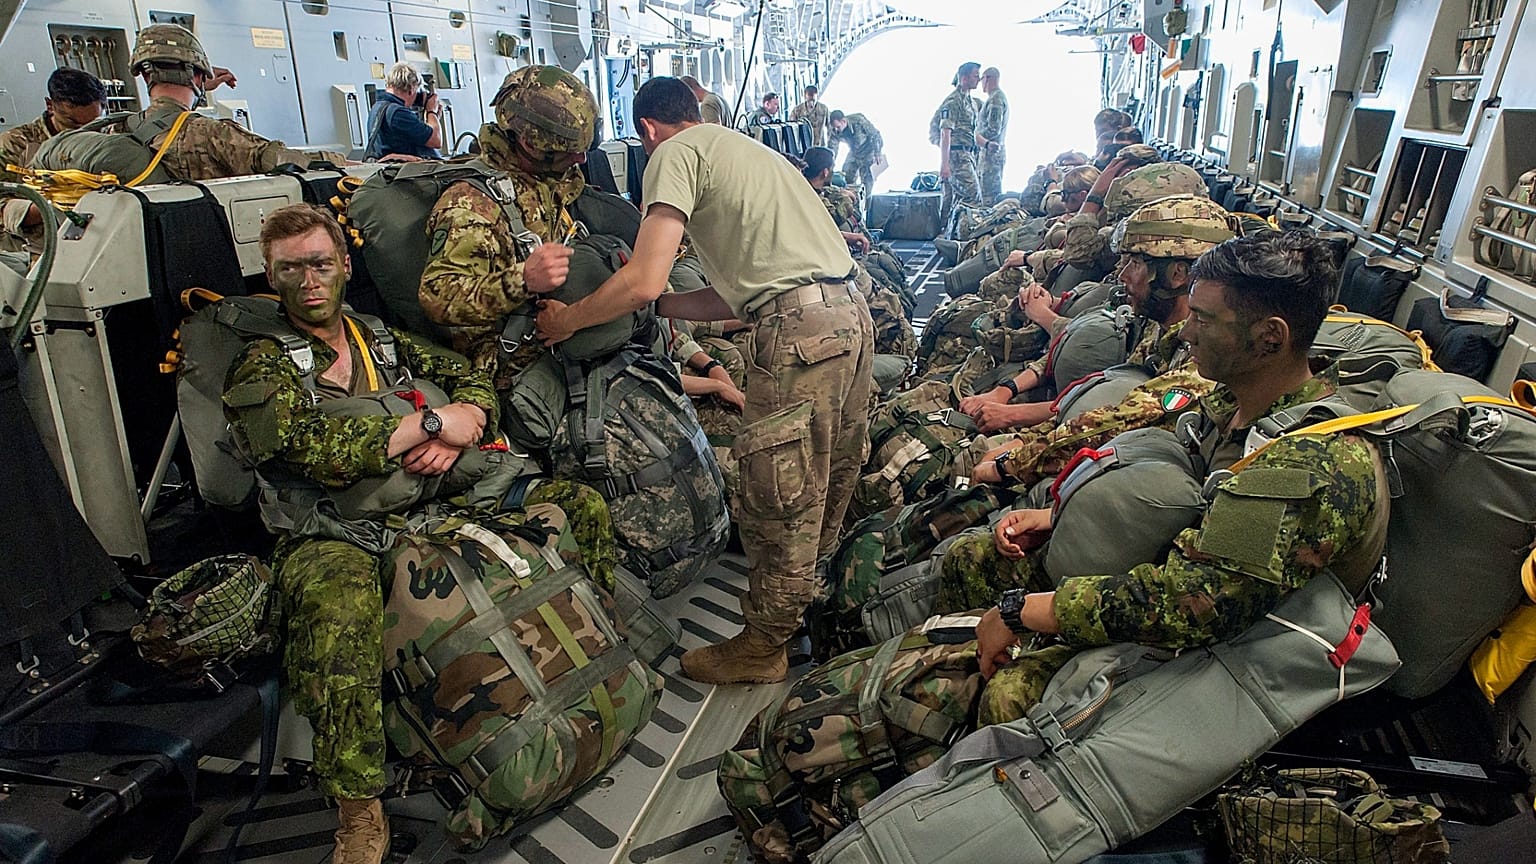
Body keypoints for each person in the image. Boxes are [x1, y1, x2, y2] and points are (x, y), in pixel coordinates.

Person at [950, 231, 1388, 727]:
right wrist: (1059, 515)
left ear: (1271, 337)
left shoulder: (1309, 466)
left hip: (1237, 652)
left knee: (1010, 696)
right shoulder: (1233, 404)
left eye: (1204, 319)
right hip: (1172, 573)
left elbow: (1195, 601)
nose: (1186, 333)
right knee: (974, 558)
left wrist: (1023, 612)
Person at [532, 77, 875, 685]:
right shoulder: (750, 153)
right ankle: (806, 610)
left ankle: (763, 646)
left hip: (799, 331)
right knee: (827, 481)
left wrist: (568, 319)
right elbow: (738, 297)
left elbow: (640, 276)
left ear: (646, 130)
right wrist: (663, 308)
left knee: (781, 495)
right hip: (848, 314)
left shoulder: (672, 153)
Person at [224, 204, 501, 864]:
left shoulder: (378, 338)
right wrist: (428, 428)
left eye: (320, 263)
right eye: (290, 269)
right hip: (327, 532)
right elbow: (302, 443)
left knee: (562, 508)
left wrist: (467, 414)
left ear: (345, 266)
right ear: (271, 277)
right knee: (339, 606)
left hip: (417, 502)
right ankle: (358, 807)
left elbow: (469, 378)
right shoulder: (262, 365)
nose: (308, 280)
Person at [965, 195, 1237, 472]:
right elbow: (1097, 391)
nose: (1123, 276)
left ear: (1177, 275)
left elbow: (1121, 417)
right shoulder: (1157, 325)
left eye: (1136, 264)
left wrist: (1011, 462)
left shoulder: (1207, 357)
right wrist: (1024, 438)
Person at [417, 65, 599, 390]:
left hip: (549, 338)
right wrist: (522, 280)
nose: (581, 160)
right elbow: (437, 294)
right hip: (506, 368)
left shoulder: (544, 184)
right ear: (531, 145)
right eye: (569, 151)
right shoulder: (470, 205)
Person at [113, 24, 345, 179]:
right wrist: (344, 162)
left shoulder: (119, 130)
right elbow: (280, 161)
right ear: (197, 74)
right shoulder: (212, 134)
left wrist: (199, 82)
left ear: (144, 75)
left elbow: (173, 122)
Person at [0, 67, 105, 252]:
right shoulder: (16, 144)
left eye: (93, 125)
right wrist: (56, 203)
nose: (83, 133)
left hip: (97, 242)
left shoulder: (109, 140)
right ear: (50, 106)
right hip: (35, 252)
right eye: (72, 124)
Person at [930, 61, 983, 218]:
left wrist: (986, 144)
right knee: (973, 198)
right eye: (975, 76)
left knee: (956, 200)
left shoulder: (971, 102)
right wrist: (945, 164)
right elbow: (945, 133)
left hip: (968, 155)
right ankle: (966, 236)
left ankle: (952, 236)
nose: (978, 80)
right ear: (964, 78)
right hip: (957, 156)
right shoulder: (953, 102)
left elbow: (970, 133)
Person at [363, 62, 443, 161]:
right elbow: (436, 140)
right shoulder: (398, 113)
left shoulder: (378, 107)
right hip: (409, 172)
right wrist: (432, 112)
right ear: (411, 88)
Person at [828, 109, 884, 192]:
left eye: (838, 127)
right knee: (846, 175)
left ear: (843, 121)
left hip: (868, 151)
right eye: (834, 127)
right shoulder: (834, 130)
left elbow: (875, 135)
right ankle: (850, 199)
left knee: (867, 183)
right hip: (854, 151)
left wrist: (877, 153)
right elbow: (833, 148)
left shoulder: (858, 120)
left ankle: (866, 203)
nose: (836, 130)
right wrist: (829, 164)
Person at [976, 67, 1009, 205]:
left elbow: (993, 129)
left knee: (989, 197)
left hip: (991, 154)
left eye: (981, 79)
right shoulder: (993, 98)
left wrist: (974, 136)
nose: (980, 83)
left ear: (987, 78)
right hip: (989, 153)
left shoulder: (996, 99)